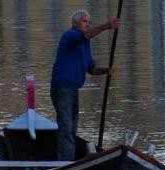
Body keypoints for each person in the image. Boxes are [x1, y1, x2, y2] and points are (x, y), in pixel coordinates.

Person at [50, 10, 120, 161]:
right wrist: (107, 26)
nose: (88, 24)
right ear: (75, 23)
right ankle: (65, 162)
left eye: (89, 22)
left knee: (72, 128)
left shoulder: (85, 44)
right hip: (62, 87)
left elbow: (91, 69)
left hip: (73, 89)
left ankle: (69, 159)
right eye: (84, 21)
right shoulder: (70, 36)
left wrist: (105, 70)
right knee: (66, 128)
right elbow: (85, 35)